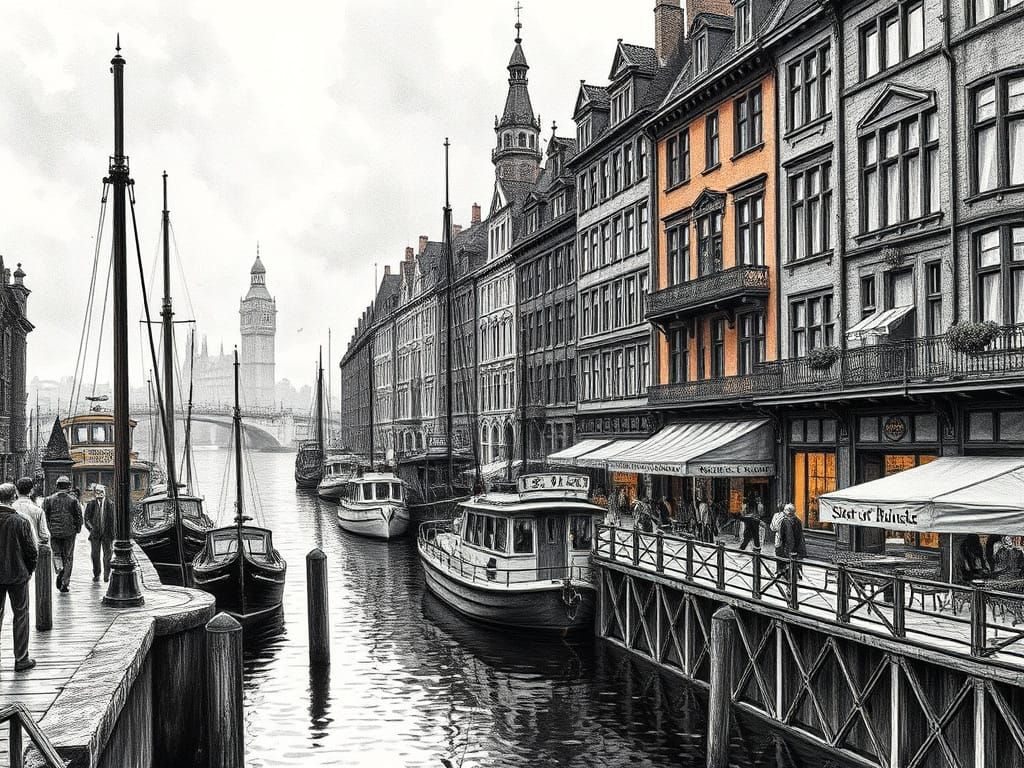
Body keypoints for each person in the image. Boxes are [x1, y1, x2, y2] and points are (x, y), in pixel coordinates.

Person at [0, 482, 38, 671]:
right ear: (13, 497)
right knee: (21, 615)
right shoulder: (20, 521)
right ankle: (21, 658)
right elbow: (31, 551)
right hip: (18, 574)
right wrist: (29, 570)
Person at [43, 476, 83, 593]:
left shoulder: (48, 500)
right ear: (68, 486)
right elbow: (79, 517)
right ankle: (65, 582)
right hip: (69, 532)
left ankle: (59, 569)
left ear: (57, 486)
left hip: (54, 532)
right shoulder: (73, 500)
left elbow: (45, 516)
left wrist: (49, 529)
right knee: (68, 557)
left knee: (56, 554)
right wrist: (78, 529)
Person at [84, 484, 115, 583]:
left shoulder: (110, 504)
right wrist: (91, 528)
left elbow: (114, 520)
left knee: (108, 555)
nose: (99, 493)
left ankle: (106, 575)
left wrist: (113, 533)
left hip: (107, 534)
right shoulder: (91, 504)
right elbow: (86, 518)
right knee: (95, 555)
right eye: (97, 491)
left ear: (104, 493)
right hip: (95, 534)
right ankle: (96, 574)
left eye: (101, 491)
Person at [13, 476, 49, 546]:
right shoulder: (38, 511)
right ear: (31, 491)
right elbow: (44, 535)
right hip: (33, 547)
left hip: (13, 548)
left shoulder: (11, 508)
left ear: (16, 491)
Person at [778, 503, 807, 580]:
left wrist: (783, 545)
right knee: (795, 562)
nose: (784, 511)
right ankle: (797, 576)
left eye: (785, 510)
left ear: (788, 511)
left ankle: (789, 577)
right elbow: (800, 534)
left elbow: (783, 535)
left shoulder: (785, 521)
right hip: (797, 546)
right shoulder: (798, 520)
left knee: (787, 561)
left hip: (788, 546)